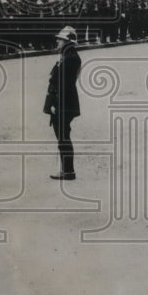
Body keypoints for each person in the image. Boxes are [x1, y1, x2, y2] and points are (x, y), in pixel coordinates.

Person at [43, 26, 82, 180]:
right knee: (63, 137)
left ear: (67, 41)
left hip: (63, 103)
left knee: (63, 138)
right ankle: (67, 170)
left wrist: (55, 104)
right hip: (65, 102)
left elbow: (63, 85)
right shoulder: (68, 55)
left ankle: (68, 172)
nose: (57, 41)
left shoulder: (69, 57)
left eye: (60, 39)